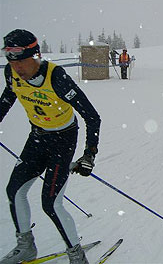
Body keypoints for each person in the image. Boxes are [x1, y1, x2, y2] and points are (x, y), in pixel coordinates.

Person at [0, 29, 101, 264]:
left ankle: (76, 255)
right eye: (9, 59)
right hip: (37, 137)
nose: (16, 67)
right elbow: (7, 97)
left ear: (35, 55)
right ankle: (25, 246)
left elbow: (92, 117)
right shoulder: (11, 73)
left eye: (21, 60)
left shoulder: (56, 77)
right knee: (14, 190)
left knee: (51, 204)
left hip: (63, 139)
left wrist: (89, 155)